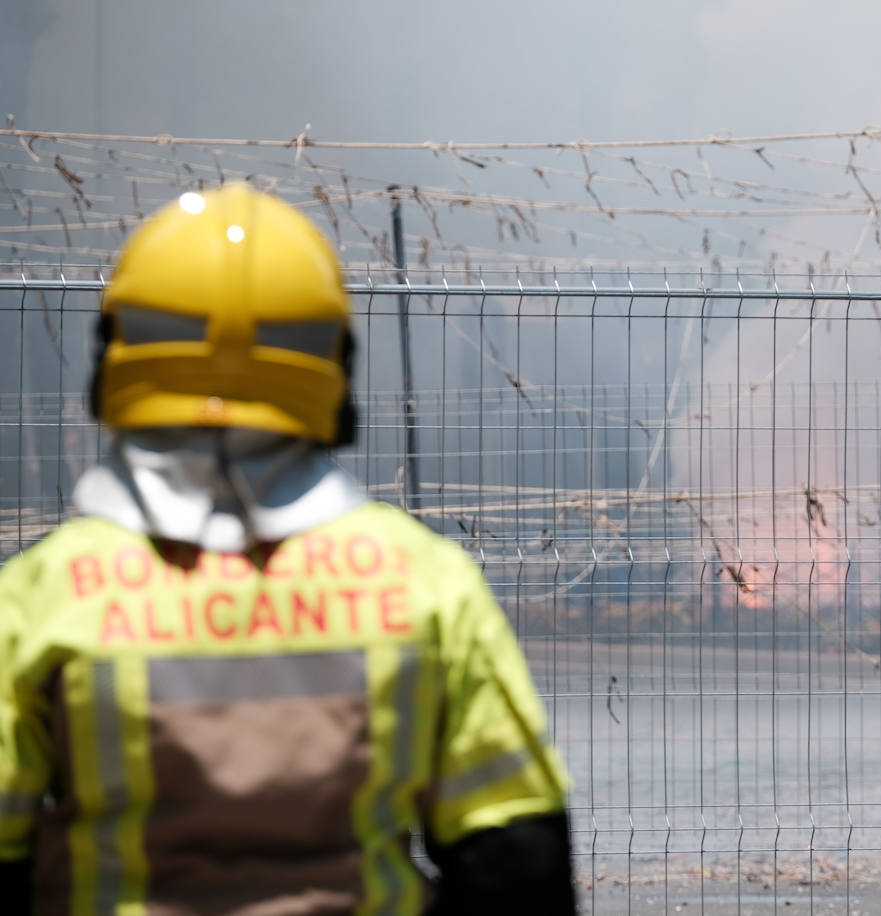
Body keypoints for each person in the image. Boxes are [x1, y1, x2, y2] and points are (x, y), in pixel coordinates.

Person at [0, 184, 576, 914]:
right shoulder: (425, 581)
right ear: (333, 362)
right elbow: (517, 856)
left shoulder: (42, 593)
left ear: (119, 353)